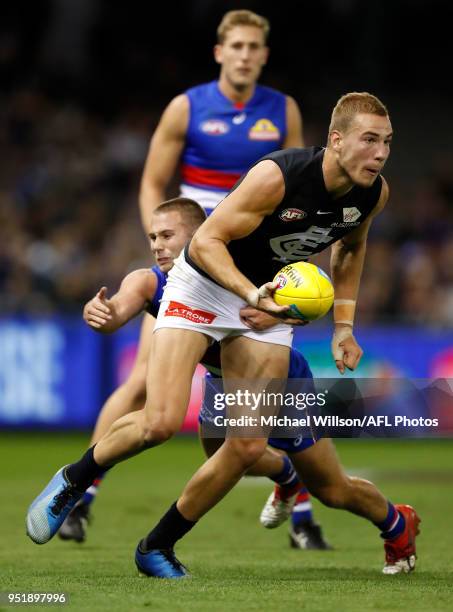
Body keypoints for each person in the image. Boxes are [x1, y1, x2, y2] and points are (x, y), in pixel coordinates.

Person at [26, 92, 420, 577]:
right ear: (336, 141)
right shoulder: (279, 175)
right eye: (369, 140)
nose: (380, 153)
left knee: (249, 445)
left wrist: (343, 326)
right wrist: (251, 296)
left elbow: (351, 248)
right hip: (206, 284)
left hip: (266, 302)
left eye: (387, 142)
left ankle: (157, 548)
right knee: (160, 421)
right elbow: (207, 241)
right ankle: (73, 480)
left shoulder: (372, 194)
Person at [58, 8, 324, 547]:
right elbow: (153, 182)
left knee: (249, 410)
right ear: (219, 52)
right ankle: (81, 496)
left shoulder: (284, 111)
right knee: (141, 386)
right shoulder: (188, 107)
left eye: (255, 47)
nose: (246, 55)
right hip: (191, 268)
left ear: (264, 55)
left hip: (250, 274)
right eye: (237, 46)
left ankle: (297, 496)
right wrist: (165, 250)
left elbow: (302, 184)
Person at [60, 197, 329, 550]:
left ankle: (365, 522)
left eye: (167, 236)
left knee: (333, 488)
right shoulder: (149, 282)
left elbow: (298, 296)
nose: (157, 246)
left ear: (201, 235)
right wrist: (104, 313)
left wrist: (291, 315)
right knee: (225, 458)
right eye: (153, 238)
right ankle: (287, 477)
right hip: (221, 380)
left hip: (275, 374)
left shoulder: (238, 275)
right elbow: (120, 307)